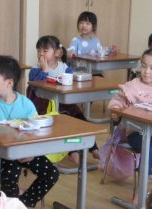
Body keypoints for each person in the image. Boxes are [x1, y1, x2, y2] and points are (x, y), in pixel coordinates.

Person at [0, 55, 59, 208]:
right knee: (10, 176)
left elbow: (36, 131)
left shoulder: (26, 104)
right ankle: (9, 208)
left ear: (9, 83)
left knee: (51, 173)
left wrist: (31, 151)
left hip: (25, 151)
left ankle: (23, 204)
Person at [26, 35, 100, 169]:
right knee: (66, 122)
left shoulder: (65, 68)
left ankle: (94, 148)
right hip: (45, 106)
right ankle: (73, 152)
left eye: (45, 51)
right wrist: (45, 71)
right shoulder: (36, 69)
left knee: (80, 118)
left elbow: (71, 83)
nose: (41, 54)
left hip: (65, 104)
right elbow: (33, 85)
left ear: (57, 53)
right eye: (39, 51)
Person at [108, 47, 152, 177]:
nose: (146, 71)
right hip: (136, 131)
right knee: (149, 150)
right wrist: (116, 110)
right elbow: (116, 102)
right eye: (144, 66)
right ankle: (143, 184)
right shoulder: (132, 85)